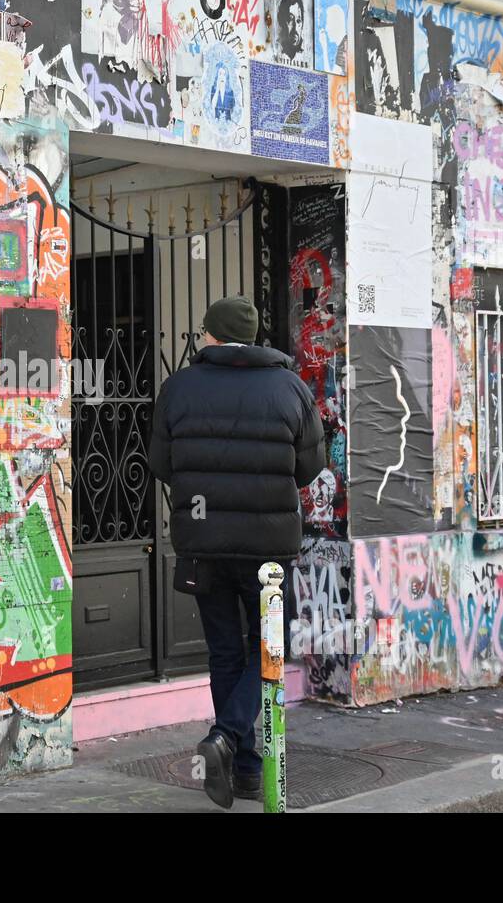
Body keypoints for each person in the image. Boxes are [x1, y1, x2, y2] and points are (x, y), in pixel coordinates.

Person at [147, 295, 325, 808]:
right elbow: (309, 467)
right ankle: (231, 746)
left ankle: (241, 763)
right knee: (266, 650)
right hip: (268, 551)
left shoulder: (178, 387)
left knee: (225, 651)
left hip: (202, 546)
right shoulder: (290, 387)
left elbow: (161, 462)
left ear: (210, 335)